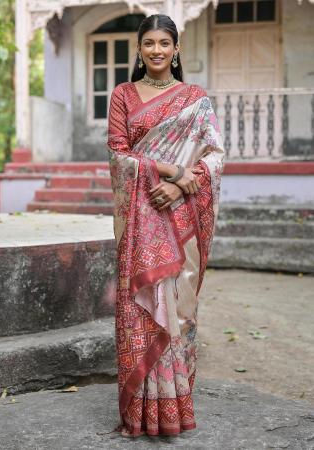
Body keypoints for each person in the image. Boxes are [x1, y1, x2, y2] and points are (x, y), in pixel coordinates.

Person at [107, 13, 225, 438]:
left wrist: (180, 188)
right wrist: (173, 170)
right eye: (149, 43)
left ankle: (173, 410)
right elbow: (118, 156)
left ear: (176, 50)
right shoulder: (122, 95)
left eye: (164, 43)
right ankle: (139, 414)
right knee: (138, 309)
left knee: (179, 309)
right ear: (139, 49)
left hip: (180, 217)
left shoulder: (194, 98)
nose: (156, 50)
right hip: (139, 219)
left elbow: (214, 155)